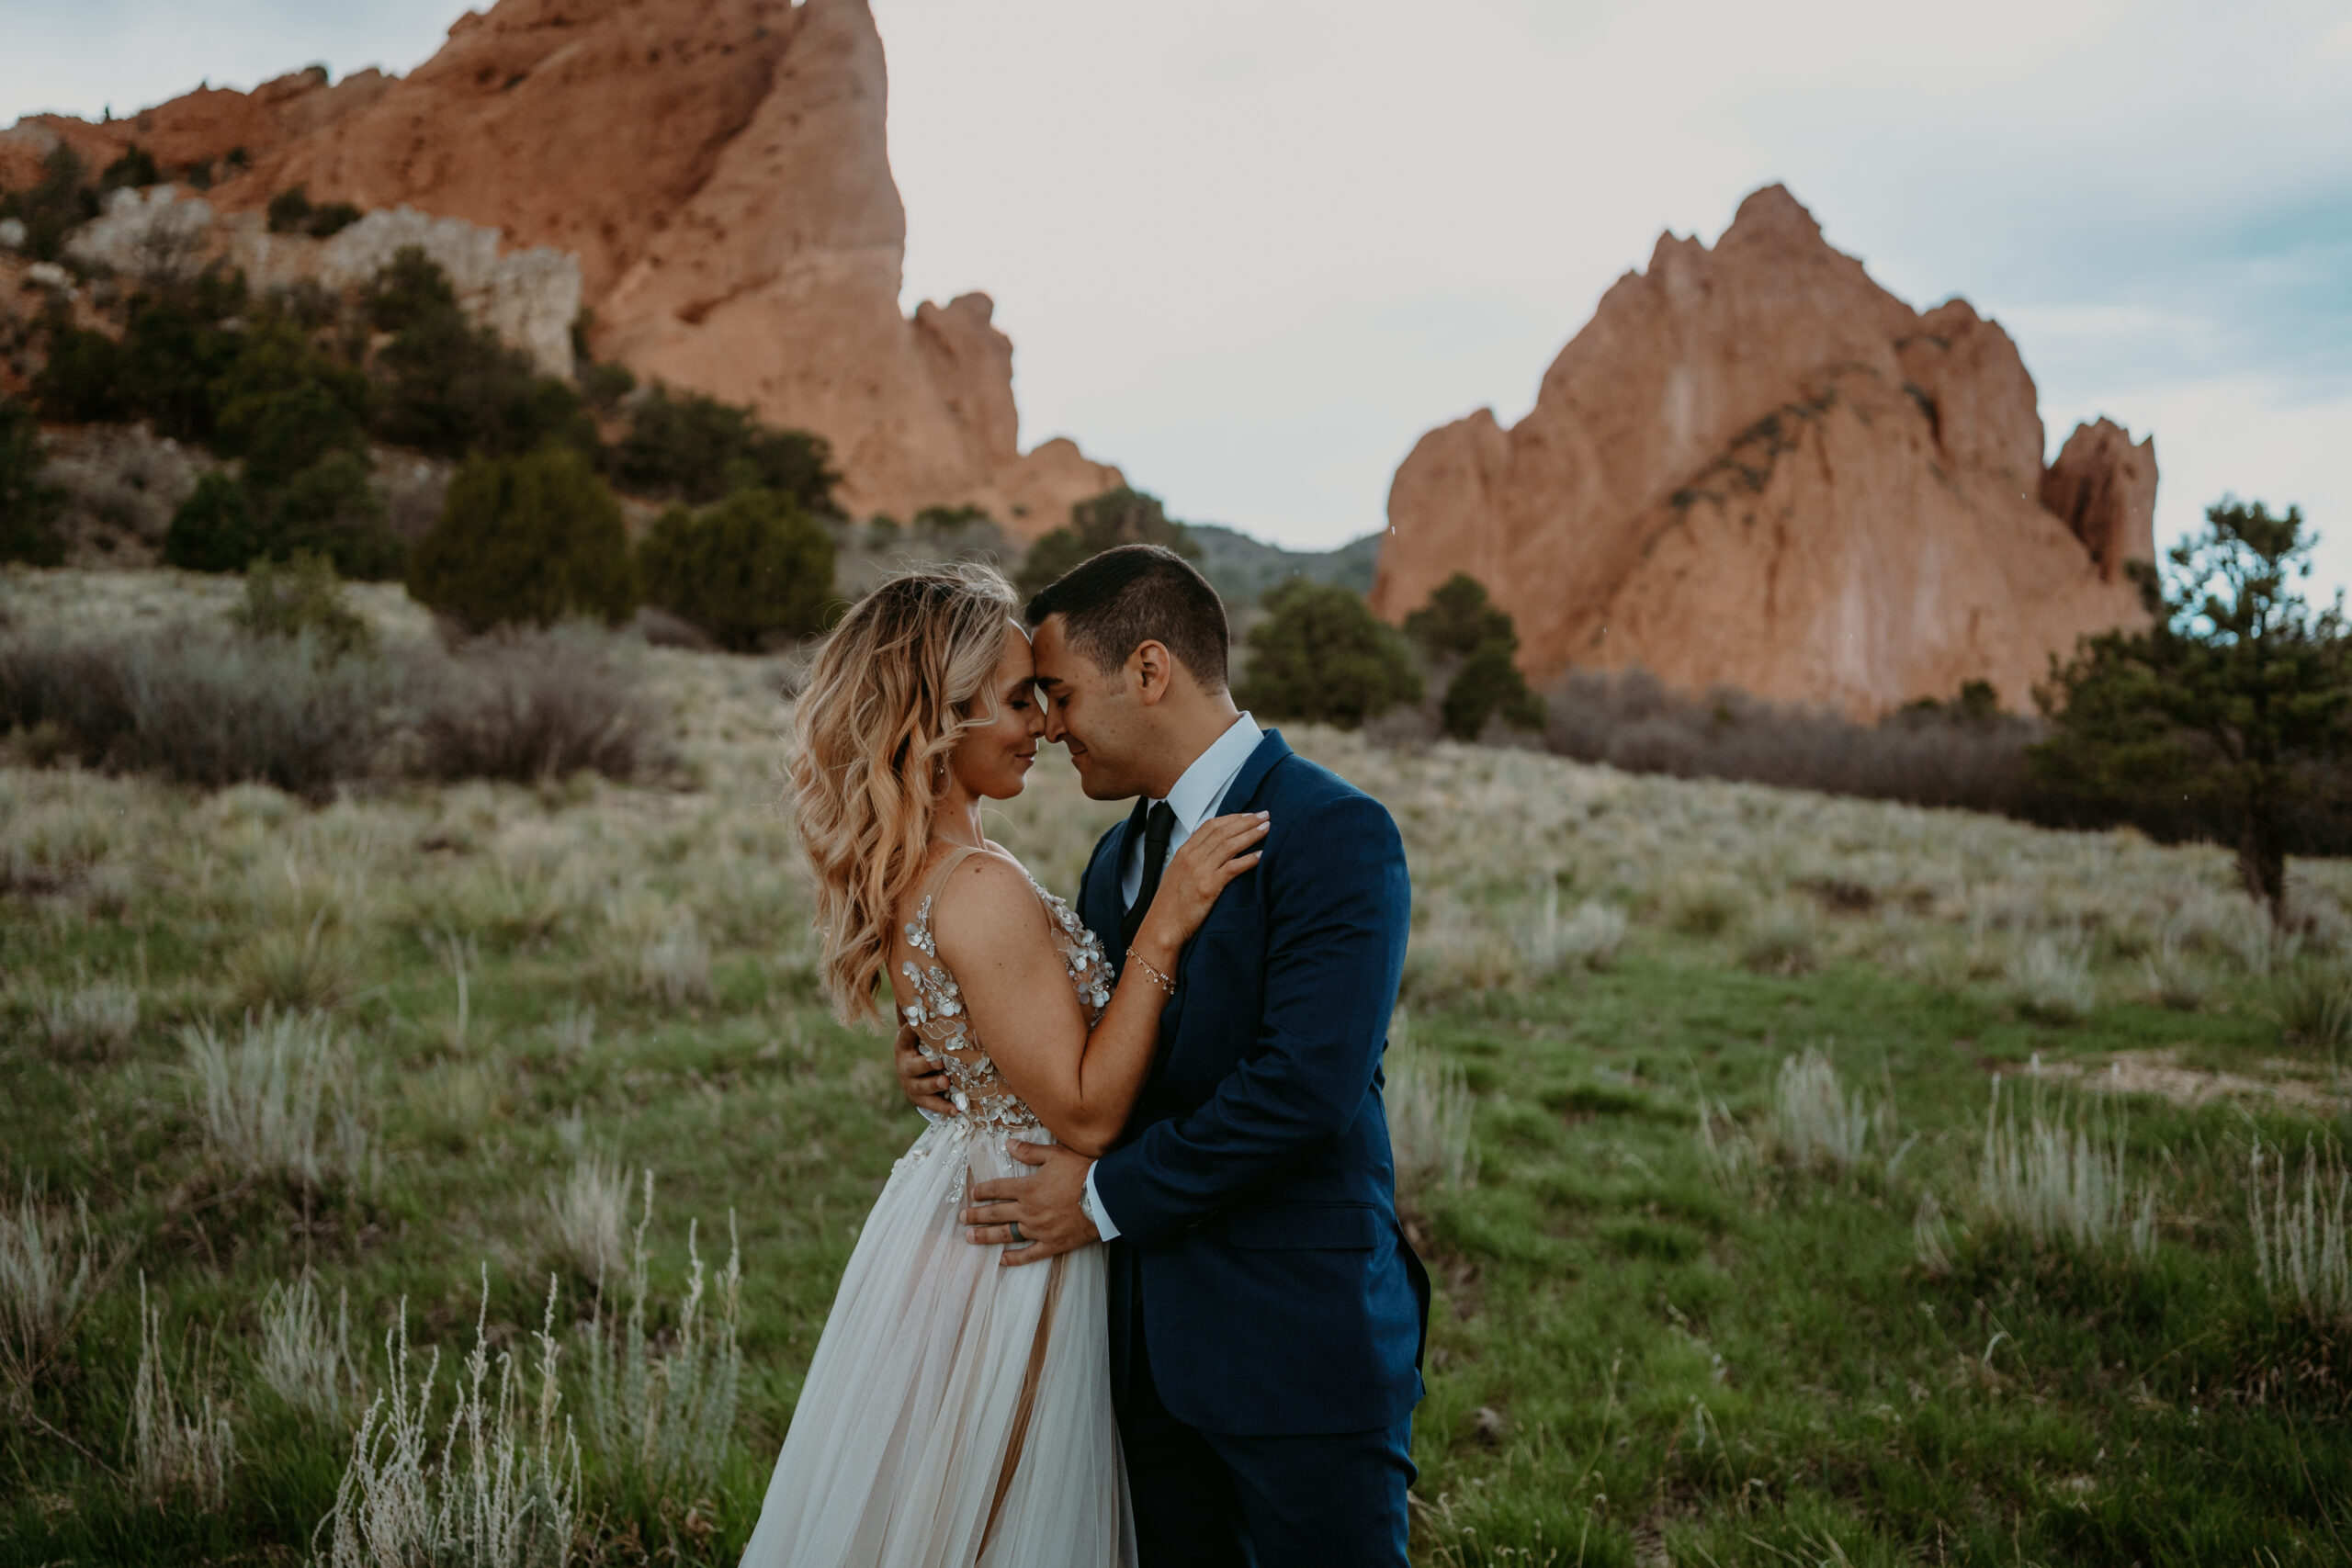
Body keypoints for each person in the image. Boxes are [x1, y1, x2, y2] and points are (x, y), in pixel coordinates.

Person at [897, 544, 1430, 1566]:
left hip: (1295, 1341)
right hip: (1134, 1351)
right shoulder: (1116, 856)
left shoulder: (1333, 832)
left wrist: (1100, 1199)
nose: (1046, 726)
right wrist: (949, 1061)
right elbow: (1091, 1054)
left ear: (1149, 672)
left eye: (1055, 693)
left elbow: (1302, 1090)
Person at [741, 563, 1268, 1567]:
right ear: (942, 715)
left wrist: (942, 1059)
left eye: (1046, 695)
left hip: (973, 1205)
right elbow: (1085, 1116)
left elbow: (992, 1033)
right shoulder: (978, 884)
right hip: (1014, 1232)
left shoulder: (934, 870)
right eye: (1019, 698)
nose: (1043, 725)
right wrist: (1164, 925)